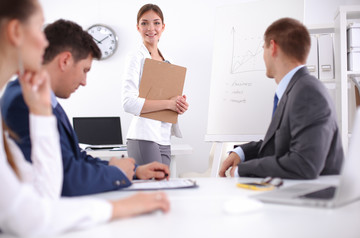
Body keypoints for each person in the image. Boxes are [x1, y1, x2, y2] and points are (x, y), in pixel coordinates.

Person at [0, 0, 169, 237]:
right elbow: (57, 187)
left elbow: (59, 171)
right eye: (39, 28)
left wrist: (132, 169)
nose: (44, 42)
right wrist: (118, 191)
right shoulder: (23, 100)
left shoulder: (38, 98)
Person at [219, 18, 344, 179]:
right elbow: (279, 145)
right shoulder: (294, 89)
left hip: (311, 197)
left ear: (273, 47)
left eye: (263, 48)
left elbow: (304, 164)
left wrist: (242, 170)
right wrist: (241, 152)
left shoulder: (308, 92)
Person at [122, 3, 189, 167]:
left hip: (164, 137)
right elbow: (128, 103)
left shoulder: (169, 61)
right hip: (144, 135)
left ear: (163, 27)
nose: (150, 28)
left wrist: (179, 105)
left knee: (163, 188)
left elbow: (170, 103)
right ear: (138, 27)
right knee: (152, 188)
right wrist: (169, 104)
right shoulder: (135, 57)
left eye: (156, 23)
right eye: (144, 23)